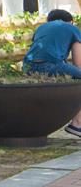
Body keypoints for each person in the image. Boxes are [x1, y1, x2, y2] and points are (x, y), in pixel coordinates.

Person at [23, 8, 81, 137]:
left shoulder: (41, 28)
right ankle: (77, 124)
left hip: (28, 67)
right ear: (70, 22)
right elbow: (78, 63)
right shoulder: (72, 28)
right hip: (49, 65)